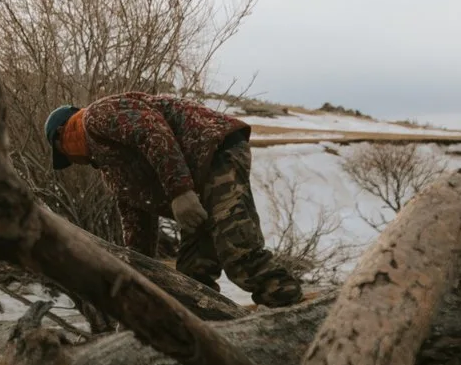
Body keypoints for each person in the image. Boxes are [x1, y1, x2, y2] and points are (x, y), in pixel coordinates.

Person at [43, 93, 302, 306]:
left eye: (66, 155)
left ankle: (294, 314)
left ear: (62, 137)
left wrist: (181, 192)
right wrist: (139, 275)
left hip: (213, 150)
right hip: (194, 174)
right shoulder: (113, 172)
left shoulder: (97, 115)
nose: (75, 162)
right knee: (193, 277)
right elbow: (138, 227)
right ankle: (214, 332)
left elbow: (152, 131)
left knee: (239, 253)